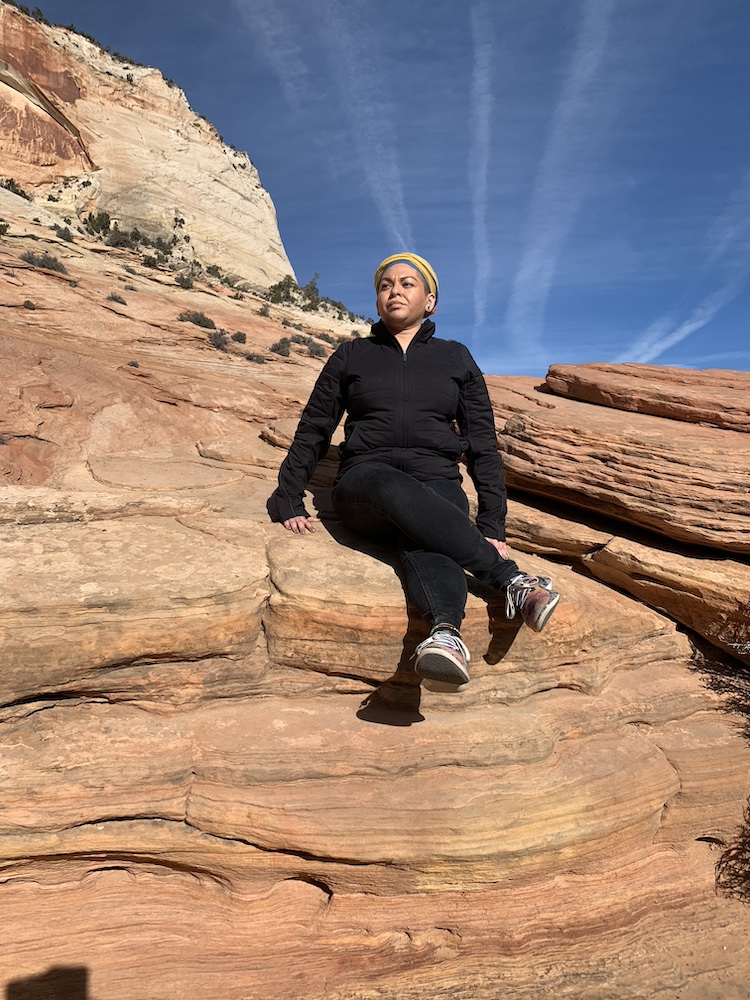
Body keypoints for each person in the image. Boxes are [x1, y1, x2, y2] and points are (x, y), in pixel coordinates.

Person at [267, 253, 559, 689]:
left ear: (430, 302)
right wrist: (287, 495)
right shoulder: (351, 355)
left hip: (437, 481)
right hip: (366, 485)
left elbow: (482, 443)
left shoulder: (455, 358)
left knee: (432, 529)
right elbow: (315, 427)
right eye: (385, 285)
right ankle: (511, 581)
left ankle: (445, 636)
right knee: (391, 484)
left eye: (407, 283)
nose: (394, 291)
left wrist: (493, 521)